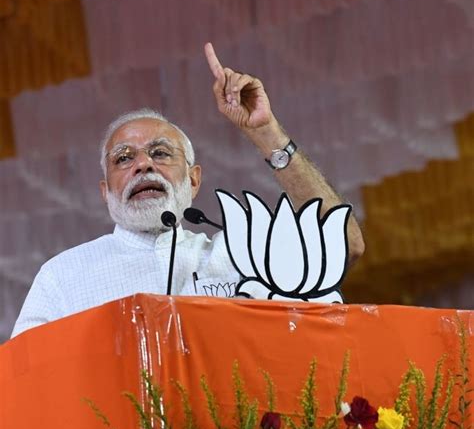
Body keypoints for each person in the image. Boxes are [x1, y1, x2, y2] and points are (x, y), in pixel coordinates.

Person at [11, 43, 365, 338]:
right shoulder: (64, 275)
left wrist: (266, 132)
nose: (143, 164)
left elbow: (342, 246)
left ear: (194, 181)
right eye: (123, 158)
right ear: (105, 192)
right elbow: (24, 378)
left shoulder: (242, 258)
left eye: (161, 153)